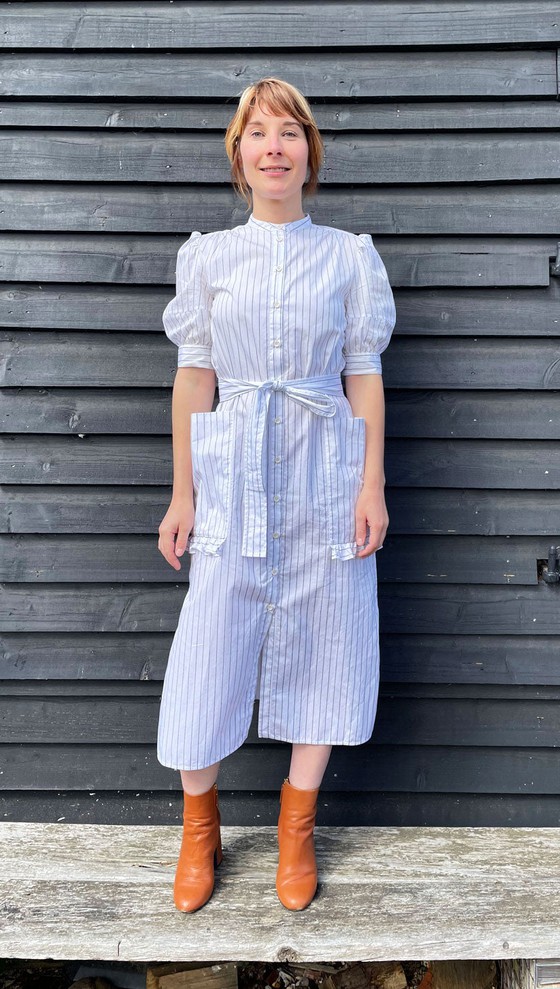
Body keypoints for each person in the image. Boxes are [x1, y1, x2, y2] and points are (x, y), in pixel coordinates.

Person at [156, 77, 396, 914]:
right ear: (239, 155)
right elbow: (194, 379)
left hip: (326, 468)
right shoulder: (210, 258)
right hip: (233, 474)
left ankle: (297, 827)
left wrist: (372, 484)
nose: (274, 146)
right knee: (210, 643)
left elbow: (362, 375)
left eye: (289, 131)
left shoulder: (348, 256)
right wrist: (182, 491)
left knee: (328, 630)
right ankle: (200, 826)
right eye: (258, 132)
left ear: (308, 154)